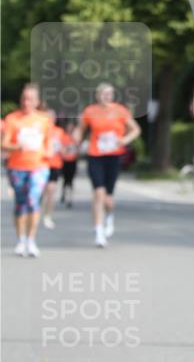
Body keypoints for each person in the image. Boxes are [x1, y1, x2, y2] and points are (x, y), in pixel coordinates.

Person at [72, 83, 141, 247]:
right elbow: (80, 129)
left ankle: (109, 216)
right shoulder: (90, 111)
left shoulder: (120, 110)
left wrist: (124, 140)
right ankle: (99, 232)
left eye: (109, 94)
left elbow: (136, 129)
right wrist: (75, 138)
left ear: (113, 96)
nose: (106, 96)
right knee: (98, 193)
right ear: (97, 95)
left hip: (114, 156)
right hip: (95, 155)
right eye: (103, 94)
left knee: (108, 199)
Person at [1, 83, 52, 257]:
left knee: (33, 199)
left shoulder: (44, 120)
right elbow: (4, 144)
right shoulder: (12, 119)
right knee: (20, 204)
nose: (26, 101)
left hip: (39, 166)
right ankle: (21, 240)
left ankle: (31, 240)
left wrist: (48, 152)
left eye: (30, 98)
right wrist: (17, 147)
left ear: (37, 101)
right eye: (24, 98)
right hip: (17, 167)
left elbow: (49, 144)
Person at [42, 109, 66, 229]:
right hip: (41, 164)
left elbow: (64, 150)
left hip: (55, 164)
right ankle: (37, 212)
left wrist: (61, 148)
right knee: (41, 191)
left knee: (51, 190)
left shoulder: (59, 132)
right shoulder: (39, 131)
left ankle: (47, 215)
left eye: (52, 117)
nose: (50, 119)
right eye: (47, 117)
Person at [59, 121, 79, 208]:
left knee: (71, 180)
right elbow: (61, 148)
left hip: (73, 161)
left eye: (71, 127)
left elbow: (78, 148)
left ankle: (70, 198)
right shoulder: (63, 136)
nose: (70, 129)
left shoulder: (75, 138)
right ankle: (63, 194)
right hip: (64, 161)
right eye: (68, 127)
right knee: (65, 179)